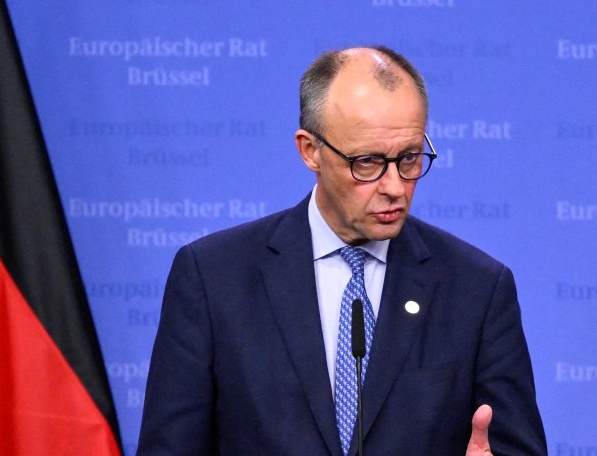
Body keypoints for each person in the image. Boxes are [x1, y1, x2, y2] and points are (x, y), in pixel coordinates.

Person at [138, 46, 546, 455]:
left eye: (409, 158)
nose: (395, 187)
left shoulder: (477, 290)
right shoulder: (213, 277)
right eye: (367, 162)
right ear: (309, 150)